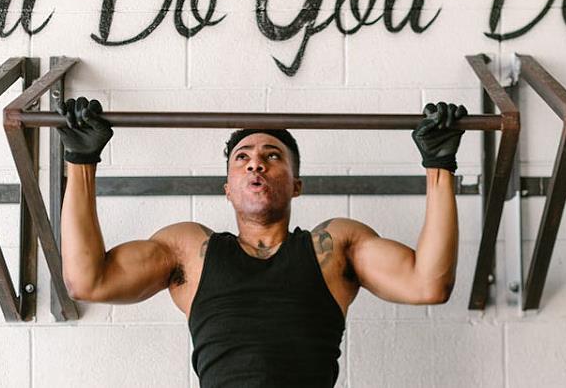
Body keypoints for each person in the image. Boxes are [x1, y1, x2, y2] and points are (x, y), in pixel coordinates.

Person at [57, 97, 468, 388]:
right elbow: (88, 280)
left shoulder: (334, 246)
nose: (256, 162)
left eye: (273, 156)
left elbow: (427, 284)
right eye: (242, 157)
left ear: (296, 185)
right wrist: (80, 161)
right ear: (227, 189)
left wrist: (439, 165)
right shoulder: (189, 251)